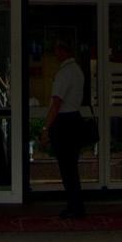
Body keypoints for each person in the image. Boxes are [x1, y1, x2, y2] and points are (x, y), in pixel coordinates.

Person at [45, 51, 95, 217]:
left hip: (65, 123)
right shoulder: (77, 70)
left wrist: (46, 129)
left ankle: (75, 206)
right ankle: (75, 204)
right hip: (74, 120)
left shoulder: (65, 73)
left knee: (67, 168)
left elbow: (56, 103)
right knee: (71, 167)